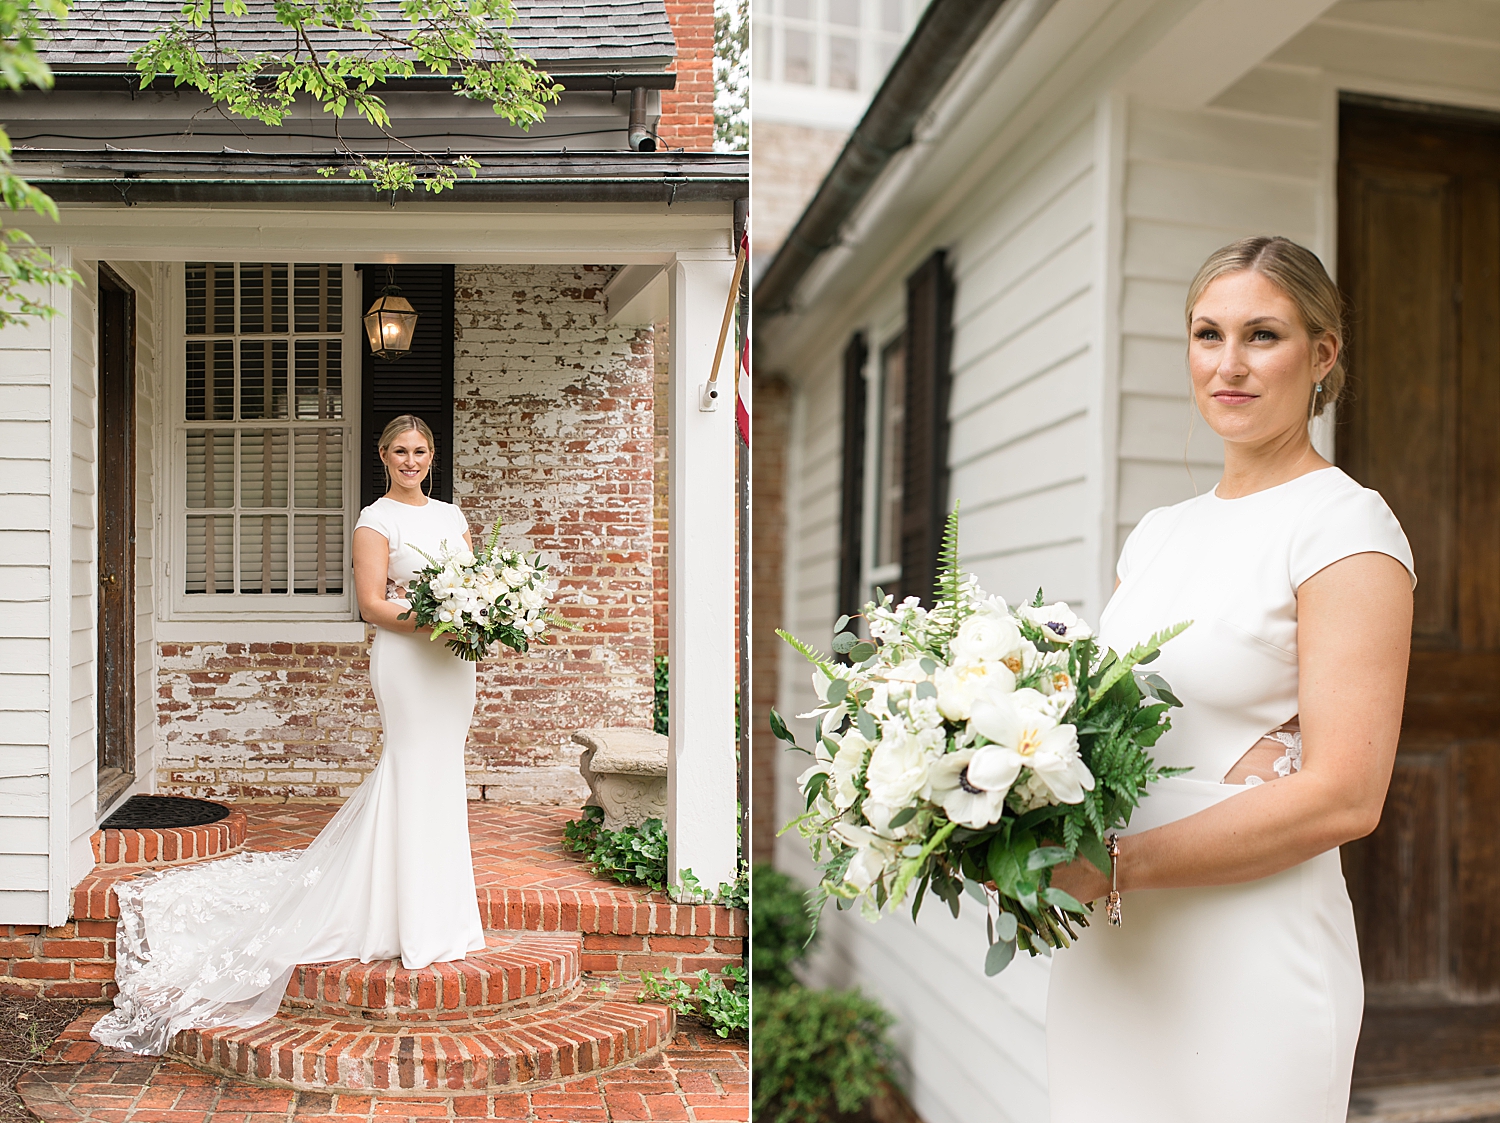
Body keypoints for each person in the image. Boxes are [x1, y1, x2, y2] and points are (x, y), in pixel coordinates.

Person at [1044, 237, 1415, 1122]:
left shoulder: (1343, 526)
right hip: (1118, 957)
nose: (1230, 364)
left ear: (1323, 355)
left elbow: (1344, 795)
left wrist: (1114, 864)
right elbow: (1110, 731)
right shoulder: (1161, 533)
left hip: (1252, 951)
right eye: (1209, 335)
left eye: (1264, 335)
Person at [92, 415, 485, 1056]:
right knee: (411, 770)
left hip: (453, 664)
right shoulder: (374, 518)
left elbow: (471, 581)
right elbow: (372, 605)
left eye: (420, 451)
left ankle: (441, 914)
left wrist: (479, 617)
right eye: (399, 452)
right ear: (382, 457)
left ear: (432, 456)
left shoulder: (450, 515)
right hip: (411, 658)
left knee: (442, 776)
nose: (410, 460)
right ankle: (400, 915)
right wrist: (438, 623)